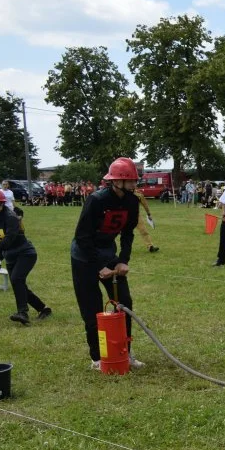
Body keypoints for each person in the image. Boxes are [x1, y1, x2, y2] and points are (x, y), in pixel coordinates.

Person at [70, 157, 143, 370]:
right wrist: (97, 266)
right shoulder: (96, 200)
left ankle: (125, 352)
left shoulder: (132, 201)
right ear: (116, 181)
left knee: (124, 303)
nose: (134, 185)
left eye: (134, 181)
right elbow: (82, 236)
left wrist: (122, 260)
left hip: (108, 253)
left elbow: (128, 233)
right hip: (84, 257)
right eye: (129, 181)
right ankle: (97, 357)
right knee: (92, 308)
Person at [0, 189, 51, 325]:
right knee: (18, 284)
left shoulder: (10, 217)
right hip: (10, 255)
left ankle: (23, 313)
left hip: (25, 254)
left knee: (17, 279)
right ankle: (43, 309)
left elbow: (10, 237)